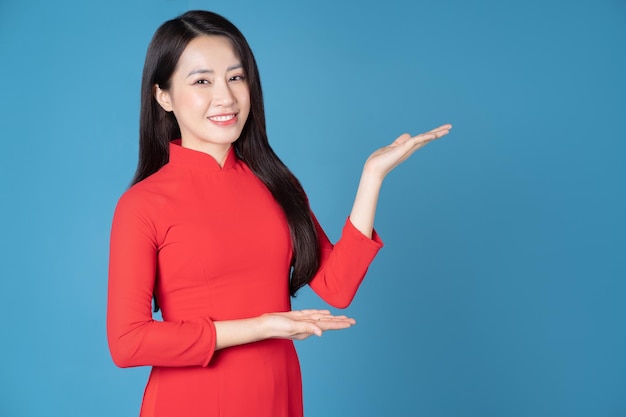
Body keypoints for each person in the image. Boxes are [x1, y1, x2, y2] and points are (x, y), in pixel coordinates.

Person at [107, 9, 451, 417]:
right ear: (163, 96)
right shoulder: (143, 205)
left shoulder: (275, 183)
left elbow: (336, 287)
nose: (226, 97)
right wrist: (262, 326)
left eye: (236, 77)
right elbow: (128, 343)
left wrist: (372, 177)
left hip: (276, 394)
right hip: (190, 402)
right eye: (202, 81)